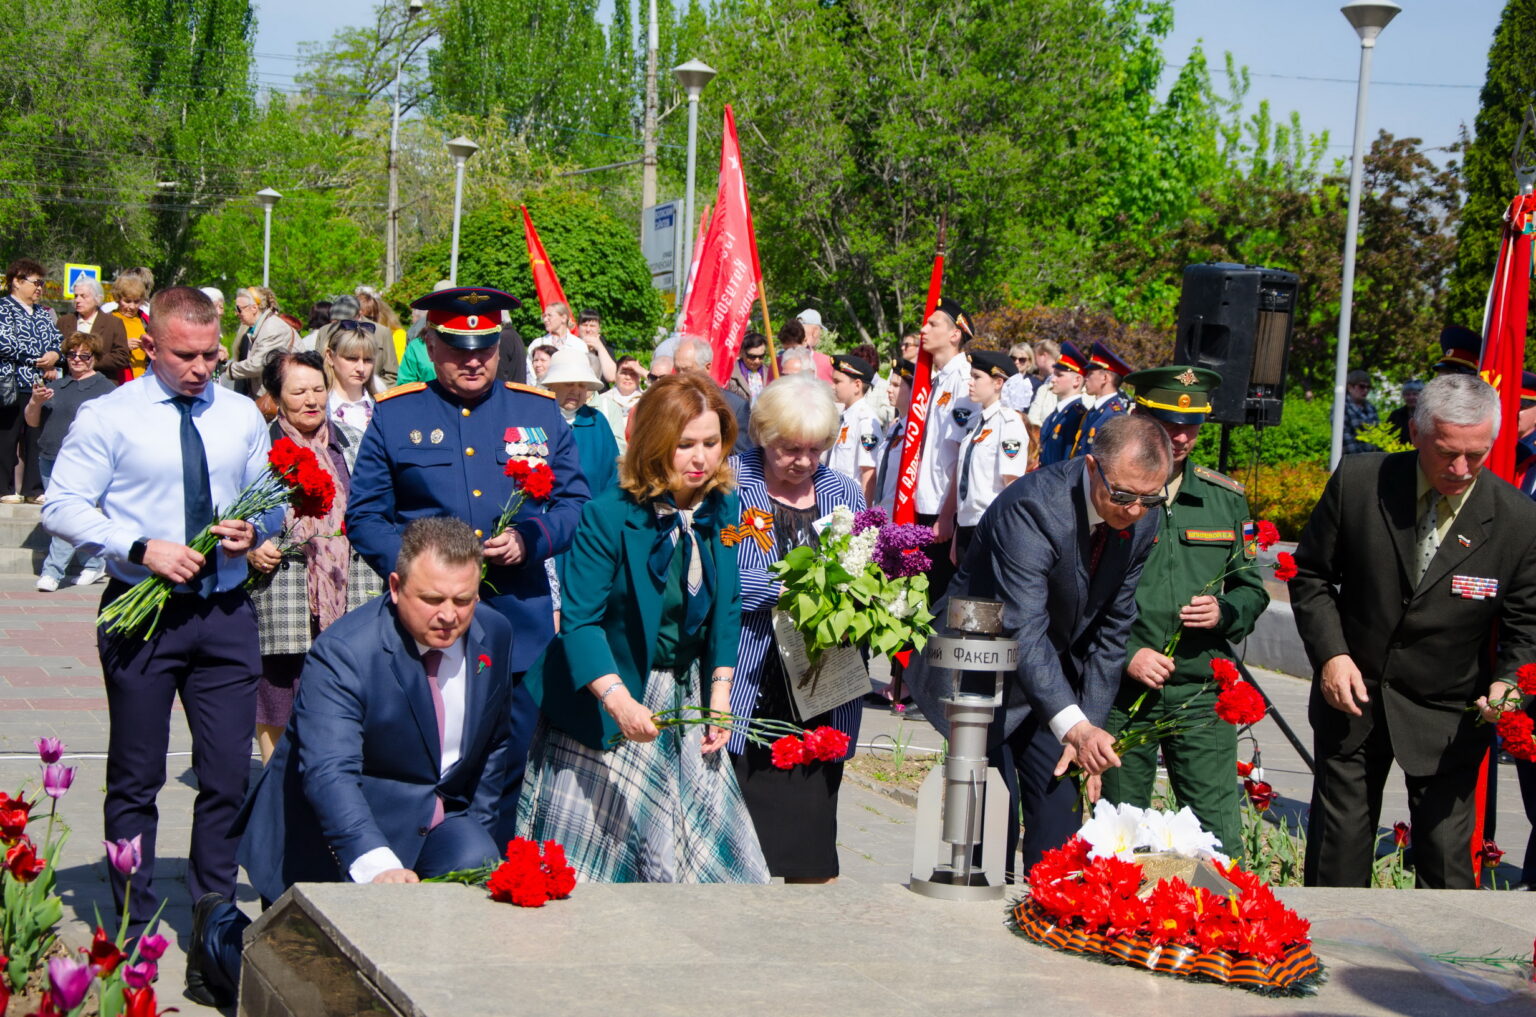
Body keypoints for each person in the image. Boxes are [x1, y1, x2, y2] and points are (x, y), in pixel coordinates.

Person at [41, 286, 280, 943]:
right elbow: (60, 505)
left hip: (226, 610)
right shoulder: (111, 416)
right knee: (138, 772)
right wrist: (140, 547)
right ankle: (132, 916)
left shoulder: (238, 415)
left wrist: (254, 527)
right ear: (152, 346)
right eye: (186, 355)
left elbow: (274, 497)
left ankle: (213, 912)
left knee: (229, 773)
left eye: (210, 354)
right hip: (141, 613)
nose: (202, 367)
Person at [199, 518, 515, 1004]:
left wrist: (483, 831)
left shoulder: (493, 633)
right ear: (395, 586)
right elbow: (329, 772)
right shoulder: (346, 651)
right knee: (305, 987)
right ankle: (219, 935)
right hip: (322, 830)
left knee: (471, 871)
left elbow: (495, 744)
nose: (449, 615)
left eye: (463, 600)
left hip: (427, 820)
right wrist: (376, 865)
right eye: (432, 599)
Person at [345, 285, 590, 843]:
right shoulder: (397, 414)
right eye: (458, 347)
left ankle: (489, 874)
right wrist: (420, 571)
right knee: (420, 766)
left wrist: (531, 538)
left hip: (515, 625)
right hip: (424, 627)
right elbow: (365, 518)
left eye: (486, 346)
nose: (474, 359)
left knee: (501, 773)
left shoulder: (537, 411)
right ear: (431, 346)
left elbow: (575, 503)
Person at [1290, 373, 1536, 889]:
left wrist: (1509, 683)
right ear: (1418, 434)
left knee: (1447, 873)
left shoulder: (1518, 520)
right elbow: (1311, 576)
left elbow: (1526, 625)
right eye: (1448, 453)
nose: (1462, 469)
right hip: (1352, 702)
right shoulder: (1361, 482)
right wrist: (1332, 655)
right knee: (1338, 866)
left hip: (1448, 716)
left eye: (1477, 454)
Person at [517, 374, 767, 883]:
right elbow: (580, 624)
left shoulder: (724, 507)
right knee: (601, 871)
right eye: (685, 445)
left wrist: (720, 693)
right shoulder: (605, 515)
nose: (701, 459)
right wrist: (619, 703)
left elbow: (728, 606)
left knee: (709, 868)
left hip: (684, 695)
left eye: (712, 443)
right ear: (654, 444)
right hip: (606, 691)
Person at [906, 414, 1171, 876]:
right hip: (980, 673)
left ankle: (1045, 926)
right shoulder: (1034, 508)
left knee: (1059, 833)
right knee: (987, 835)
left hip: (1053, 684)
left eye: (1150, 498)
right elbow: (1023, 627)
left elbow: (1112, 629)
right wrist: (1076, 728)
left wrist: (1087, 727)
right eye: (1123, 495)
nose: (1133, 511)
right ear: (1092, 468)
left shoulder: (1144, 520)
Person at [1100, 366, 1269, 859]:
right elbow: (1076, 595)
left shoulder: (1223, 499)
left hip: (1200, 694)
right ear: (1140, 416)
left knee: (1217, 840)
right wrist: (1128, 654)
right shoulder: (1111, 491)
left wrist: (1226, 610)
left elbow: (1251, 588)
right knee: (1119, 838)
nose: (1180, 436)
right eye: (1168, 422)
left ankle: (1220, 931)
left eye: (1192, 425)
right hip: (1122, 694)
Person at [728, 374, 865, 881]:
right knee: (745, 843)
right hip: (749, 680)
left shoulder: (843, 493)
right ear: (763, 434)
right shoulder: (731, 485)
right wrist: (786, 591)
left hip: (822, 685)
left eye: (814, 449)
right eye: (789, 448)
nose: (802, 461)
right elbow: (715, 576)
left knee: (811, 844)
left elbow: (869, 569)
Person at [246, 350, 385, 763]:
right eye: (298, 391)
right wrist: (253, 544)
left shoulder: (352, 441)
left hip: (350, 591)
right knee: (277, 696)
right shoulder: (259, 447)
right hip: (284, 591)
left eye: (318, 389)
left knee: (344, 694)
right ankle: (275, 792)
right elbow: (231, 508)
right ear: (275, 395)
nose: (311, 399)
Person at [25, 332, 114, 589]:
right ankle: (95, 562)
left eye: (84, 355)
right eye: (71, 354)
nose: (76, 360)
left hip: (84, 461)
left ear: (94, 358)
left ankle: (52, 571)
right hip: (50, 457)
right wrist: (35, 401)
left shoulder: (105, 388)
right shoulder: (55, 386)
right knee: (69, 514)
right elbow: (32, 422)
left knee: (66, 513)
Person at [913, 297, 978, 602]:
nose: (923, 329)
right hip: (924, 502)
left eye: (933, 324)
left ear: (955, 334)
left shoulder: (964, 380)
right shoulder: (938, 380)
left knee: (938, 599)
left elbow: (962, 455)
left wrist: (947, 514)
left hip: (942, 508)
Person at [945, 350, 1029, 563]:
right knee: (964, 595)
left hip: (991, 525)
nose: (970, 383)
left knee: (983, 597)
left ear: (998, 382)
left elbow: (1012, 485)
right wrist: (958, 532)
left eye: (977, 377)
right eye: (971, 376)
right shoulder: (974, 422)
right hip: (966, 526)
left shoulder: (1008, 423)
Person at [0, 259, 63, 503]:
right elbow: (5, 343)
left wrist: (55, 355)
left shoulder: (42, 313)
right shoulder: (3, 307)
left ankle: (33, 489)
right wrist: (38, 357)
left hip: (38, 385)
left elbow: (57, 340)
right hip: (11, 381)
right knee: (7, 436)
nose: (39, 288)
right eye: (36, 282)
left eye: (42, 283)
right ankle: (4, 488)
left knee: (36, 436)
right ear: (17, 281)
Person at [541, 347, 619, 494]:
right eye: (569, 383)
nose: (576, 391)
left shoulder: (597, 421)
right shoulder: (537, 419)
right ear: (552, 385)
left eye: (582, 385)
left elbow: (614, 475)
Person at [823, 353, 879, 499]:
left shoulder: (865, 420)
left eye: (837, 382)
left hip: (851, 504)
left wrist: (863, 517)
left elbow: (869, 474)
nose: (832, 386)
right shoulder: (846, 416)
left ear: (857, 386)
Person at [314, 295, 399, 391]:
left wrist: (373, 393)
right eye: (336, 321)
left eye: (346, 320)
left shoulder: (381, 333)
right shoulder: (324, 331)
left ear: (359, 315)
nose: (340, 326)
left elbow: (392, 375)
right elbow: (318, 367)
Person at [226, 287, 297, 399]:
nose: (236, 313)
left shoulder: (271, 327)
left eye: (239, 309)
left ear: (254, 308)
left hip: (282, 398)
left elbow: (258, 365)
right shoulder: (260, 327)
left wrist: (228, 369)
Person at [57, 278, 131, 378]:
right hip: (70, 382)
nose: (77, 300)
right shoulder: (64, 322)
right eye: (76, 296)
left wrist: (89, 360)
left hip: (102, 383)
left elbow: (122, 357)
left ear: (97, 299)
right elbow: (57, 351)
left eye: (83, 296)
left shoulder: (113, 323)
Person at [1075, 341, 1132, 457]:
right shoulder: (1097, 410)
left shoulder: (1115, 415)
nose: (1085, 378)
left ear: (1105, 378)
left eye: (1090, 373)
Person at [1037, 341, 1089, 466]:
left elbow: (1068, 463)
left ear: (1076, 380)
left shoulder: (1076, 415)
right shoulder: (1060, 411)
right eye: (1054, 374)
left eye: (1059, 375)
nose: (1053, 379)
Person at [324, 326, 377, 432]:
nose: (360, 368)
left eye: (367, 360)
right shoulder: (319, 407)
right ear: (330, 356)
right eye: (351, 358)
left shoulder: (382, 407)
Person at [592, 355, 645, 452]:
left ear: (640, 377)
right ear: (616, 375)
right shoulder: (602, 400)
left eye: (633, 373)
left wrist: (643, 371)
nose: (628, 377)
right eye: (624, 373)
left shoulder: (647, 399)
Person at [109, 268, 151, 383]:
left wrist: (149, 347)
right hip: (119, 381)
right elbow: (99, 352)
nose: (132, 307)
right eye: (127, 301)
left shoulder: (146, 320)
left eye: (136, 302)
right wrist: (123, 346)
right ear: (118, 299)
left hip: (145, 380)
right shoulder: (108, 320)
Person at [574, 307, 618, 386]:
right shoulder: (571, 347)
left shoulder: (607, 349)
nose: (588, 329)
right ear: (578, 327)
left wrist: (599, 347)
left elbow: (612, 377)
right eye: (584, 325)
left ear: (599, 328)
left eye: (592, 326)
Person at [1342, 368, 1379, 454]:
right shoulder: (1342, 408)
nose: (1365, 390)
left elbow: (1378, 435)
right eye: (1361, 386)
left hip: (1372, 459)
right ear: (1350, 387)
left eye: (1368, 387)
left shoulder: (1371, 408)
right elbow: (1345, 438)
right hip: (1350, 460)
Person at [726, 331, 771, 403]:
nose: (757, 361)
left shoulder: (771, 373)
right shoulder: (729, 376)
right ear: (741, 353)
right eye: (752, 357)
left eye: (761, 356)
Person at [1026, 338, 1062, 427]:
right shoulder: (1046, 380)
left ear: (1044, 356)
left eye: (1035, 357)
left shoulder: (1058, 381)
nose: (1035, 362)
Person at [793, 308, 835, 381]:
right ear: (815, 331)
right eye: (820, 330)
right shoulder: (826, 362)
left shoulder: (778, 361)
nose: (820, 334)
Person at [1000, 342, 1035, 414]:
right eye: (1013, 358)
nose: (1016, 362)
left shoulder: (1035, 384)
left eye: (1022, 360)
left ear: (1029, 362)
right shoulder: (1002, 380)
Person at [1387, 379, 1424, 445]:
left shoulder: (1427, 414)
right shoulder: (1395, 415)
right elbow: (1387, 435)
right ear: (1403, 396)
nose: (1411, 397)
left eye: (1415, 394)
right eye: (1407, 394)